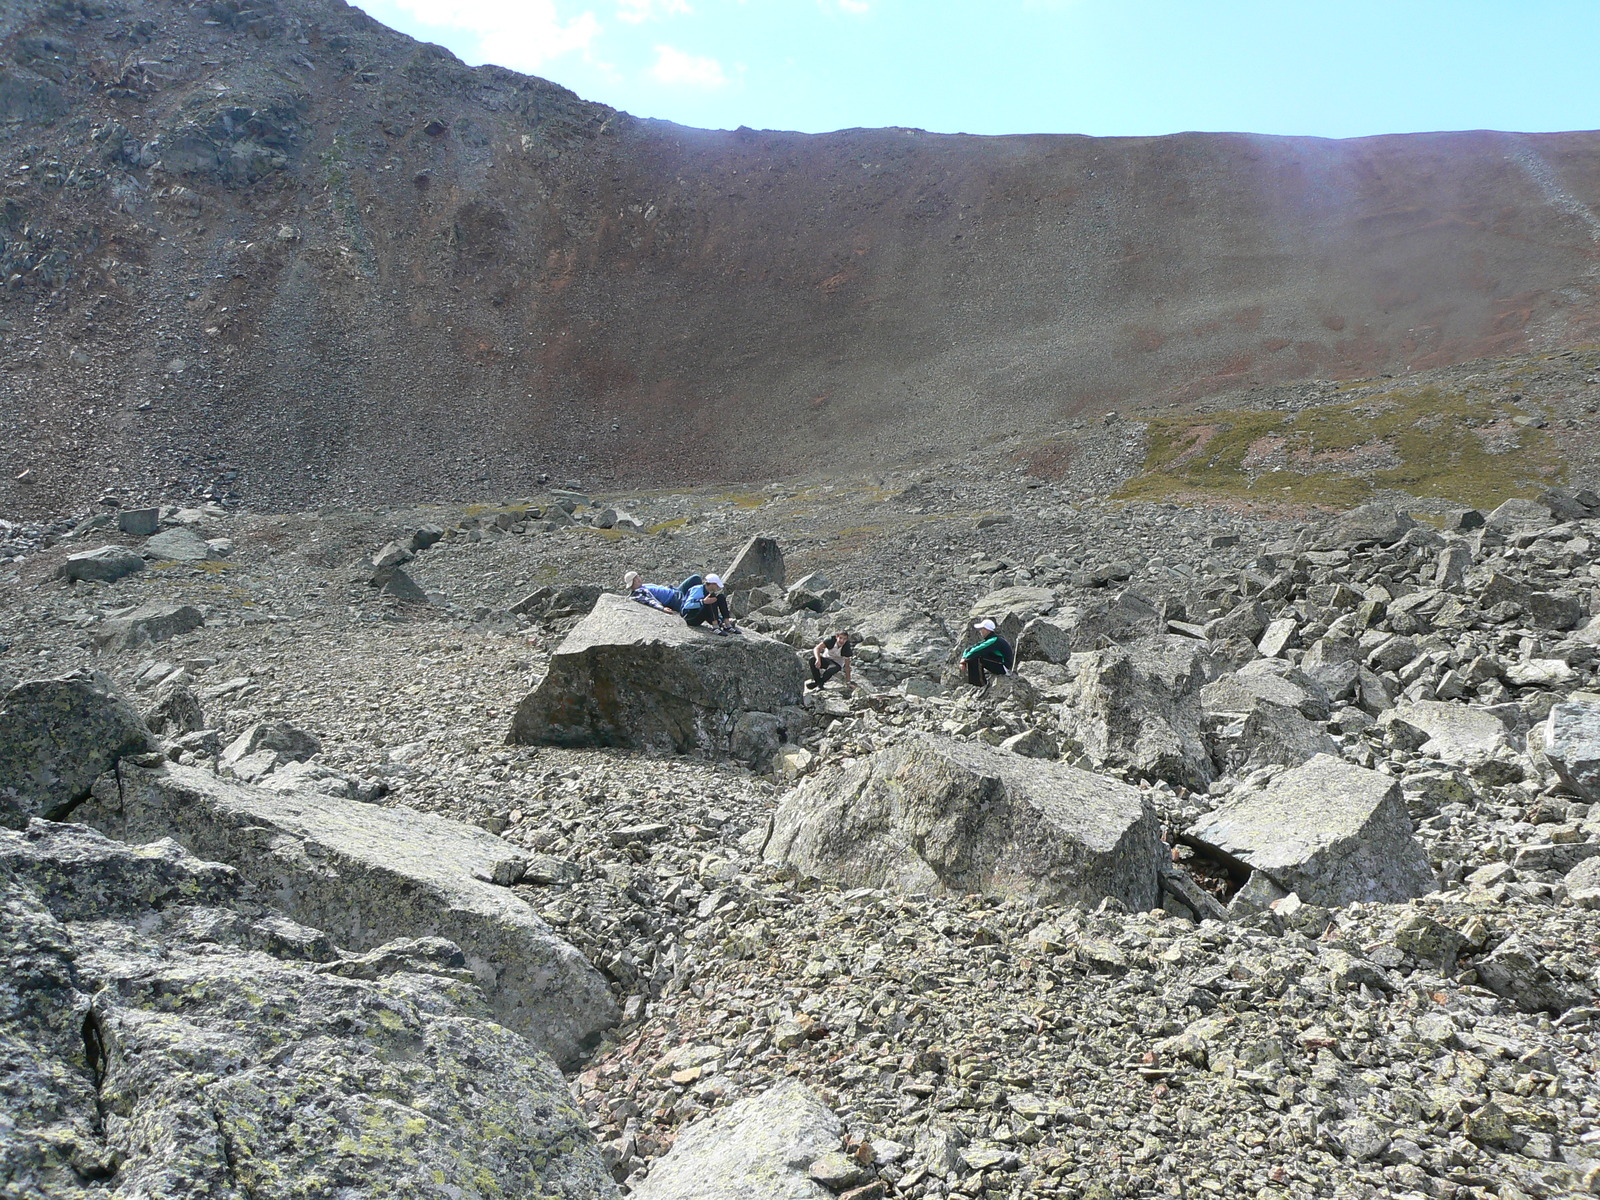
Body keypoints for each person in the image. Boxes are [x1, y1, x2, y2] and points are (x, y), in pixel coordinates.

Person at [961, 619, 1012, 688]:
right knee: (975, 656)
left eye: (982, 629)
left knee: (977, 657)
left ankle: (979, 685)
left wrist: (964, 661)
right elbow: (970, 649)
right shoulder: (991, 639)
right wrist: (964, 658)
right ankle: (976, 684)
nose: (980, 631)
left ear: (987, 630)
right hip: (999, 662)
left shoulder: (994, 640)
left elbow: (976, 651)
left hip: (1003, 667)